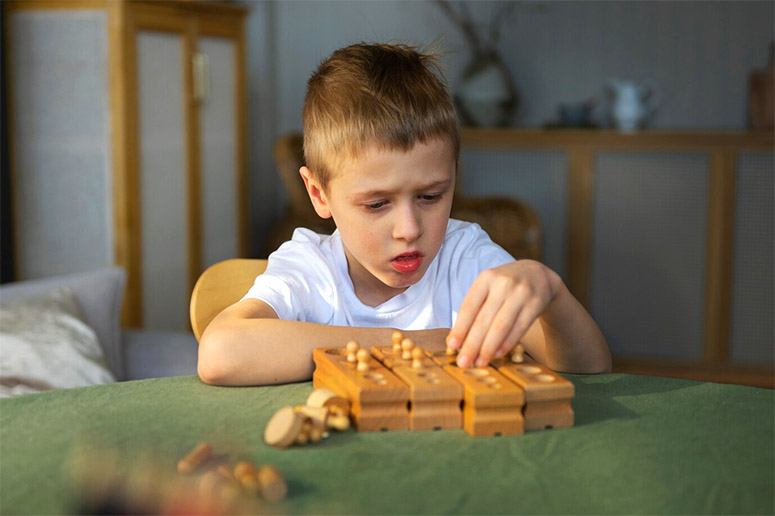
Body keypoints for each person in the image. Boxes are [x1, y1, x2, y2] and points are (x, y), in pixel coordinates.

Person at [198, 43, 610, 386]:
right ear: (319, 194)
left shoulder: (465, 257)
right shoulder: (310, 269)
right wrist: (406, 343)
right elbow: (221, 353)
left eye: (431, 196)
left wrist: (551, 293)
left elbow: (589, 368)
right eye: (377, 204)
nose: (410, 230)